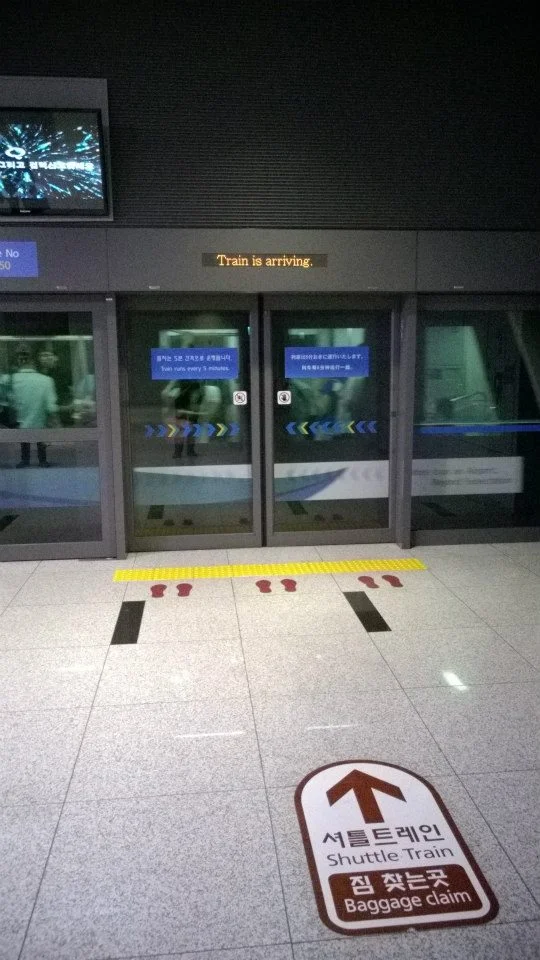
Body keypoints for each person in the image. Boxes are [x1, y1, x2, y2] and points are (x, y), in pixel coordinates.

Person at [11, 343, 58, 467]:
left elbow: (11, 404)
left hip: (20, 426)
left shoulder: (12, 380)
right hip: (40, 426)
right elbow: (51, 408)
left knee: (25, 445)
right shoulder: (46, 381)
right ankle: (42, 461)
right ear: (33, 359)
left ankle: (25, 460)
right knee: (40, 443)